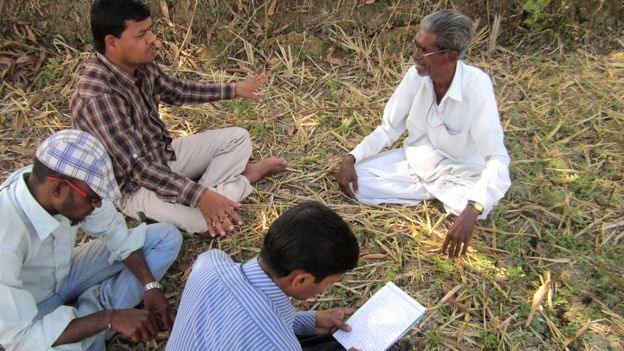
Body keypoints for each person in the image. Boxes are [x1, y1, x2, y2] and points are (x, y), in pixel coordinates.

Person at [71, 0, 288, 237]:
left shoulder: (139, 64)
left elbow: (178, 90)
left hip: (164, 155)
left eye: (150, 29)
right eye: (142, 34)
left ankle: (211, 199)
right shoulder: (98, 97)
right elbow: (139, 169)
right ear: (112, 42)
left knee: (238, 139)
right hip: (133, 187)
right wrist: (200, 196)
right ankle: (244, 180)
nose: (152, 38)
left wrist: (234, 90)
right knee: (202, 222)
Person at [336, 9, 511, 258]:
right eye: (416, 46)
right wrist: (351, 157)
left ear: (449, 56)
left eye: (423, 50)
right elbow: (389, 127)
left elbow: (497, 158)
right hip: (416, 162)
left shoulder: (476, 86)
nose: (415, 55)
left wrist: (473, 208)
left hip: (461, 172)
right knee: (357, 183)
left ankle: (441, 196)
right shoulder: (415, 76)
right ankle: (431, 192)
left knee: (475, 206)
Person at [0, 130, 182, 350]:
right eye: (93, 199)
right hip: (34, 308)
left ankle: (92, 318)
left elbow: (115, 230)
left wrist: (150, 285)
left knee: (165, 238)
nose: (97, 206)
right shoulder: (5, 237)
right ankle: (97, 321)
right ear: (58, 189)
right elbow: (20, 338)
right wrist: (110, 317)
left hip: (66, 273)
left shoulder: (52, 184)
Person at [166, 201, 361, 351]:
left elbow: (240, 319)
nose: (326, 290)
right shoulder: (280, 346)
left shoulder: (210, 263)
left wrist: (311, 321)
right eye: (330, 283)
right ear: (300, 279)